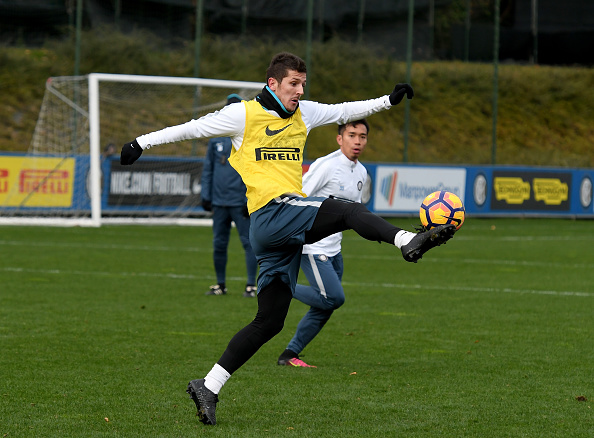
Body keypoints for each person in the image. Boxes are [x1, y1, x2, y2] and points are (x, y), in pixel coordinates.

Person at [120, 52, 456, 426]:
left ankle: (208, 385)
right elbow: (191, 128)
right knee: (346, 210)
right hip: (270, 214)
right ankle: (408, 240)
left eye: (303, 84)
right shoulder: (243, 115)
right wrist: (140, 142)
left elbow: (344, 110)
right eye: (294, 83)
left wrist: (387, 101)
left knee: (270, 321)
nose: (299, 90)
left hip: (279, 231)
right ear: (273, 84)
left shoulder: (305, 113)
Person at [277, 119, 371, 368]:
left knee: (324, 306)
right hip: (312, 247)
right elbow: (299, 196)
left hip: (334, 249)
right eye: (352, 135)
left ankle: (290, 354)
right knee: (333, 298)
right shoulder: (326, 166)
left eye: (362, 136)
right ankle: (281, 286)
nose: (357, 141)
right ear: (340, 139)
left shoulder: (361, 172)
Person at [201, 94, 258, 298]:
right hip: (219, 202)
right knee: (219, 243)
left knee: (249, 243)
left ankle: (251, 285)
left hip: (240, 202)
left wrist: (249, 199)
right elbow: (208, 169)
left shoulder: (250, 137)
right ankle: (220, 285)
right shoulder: (215, 139)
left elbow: (255, 171)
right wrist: (205, 195)